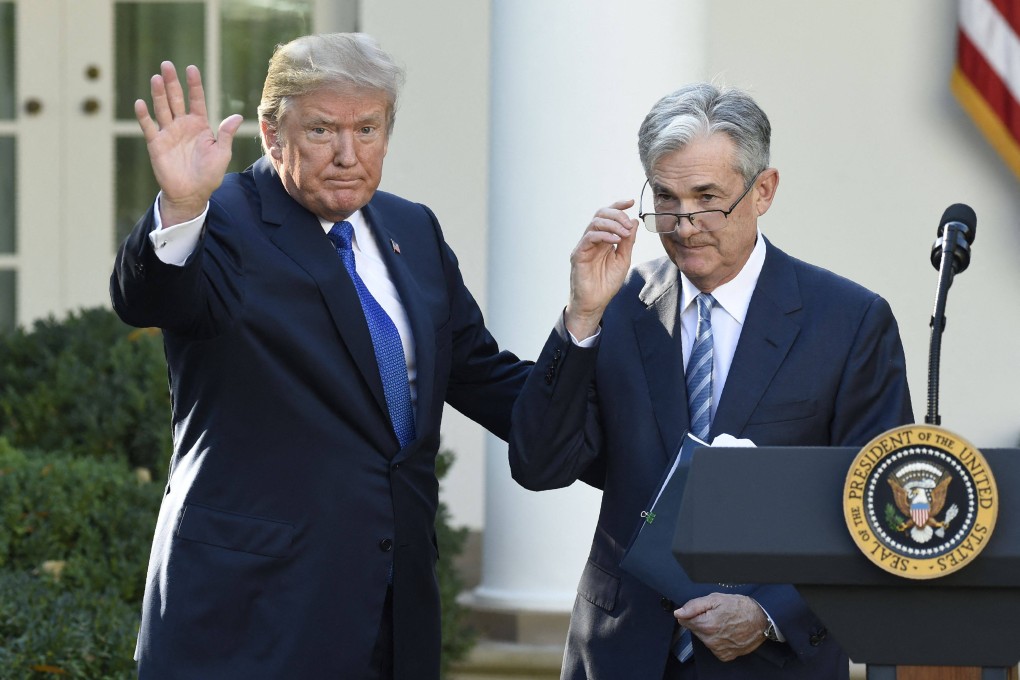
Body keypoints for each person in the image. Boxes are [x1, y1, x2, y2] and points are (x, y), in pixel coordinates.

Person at [111, 33, 531, 680]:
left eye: (367, 129)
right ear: (272, 133)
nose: (347, 154)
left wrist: (588, 348)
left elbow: (480, 373)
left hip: (393, 609)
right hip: (248, 612)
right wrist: (183, 203)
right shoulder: (219, 221)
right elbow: (149, 297)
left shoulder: (412, 229)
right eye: (322, 130)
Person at [508, 83, 913, 680]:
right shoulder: (618, 310)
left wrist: (769, 613)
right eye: (666, 198)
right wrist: (581, 318)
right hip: (621, 655)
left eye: (707, 198)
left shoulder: (849, 321)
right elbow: (539, 465)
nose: (685, 223)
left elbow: (881, 513)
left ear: (764, 191)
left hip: (771, 660)